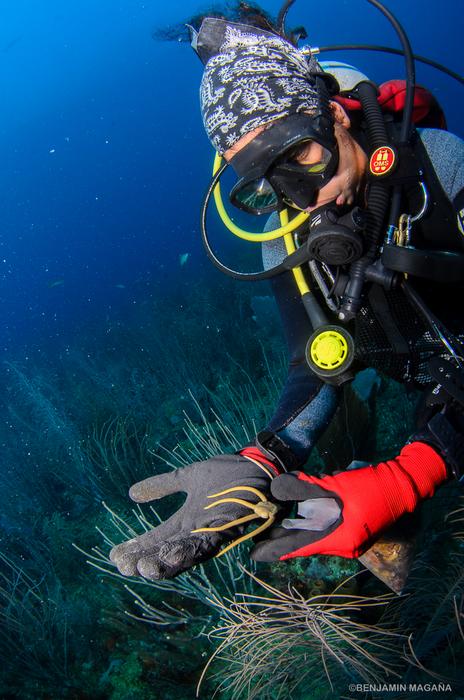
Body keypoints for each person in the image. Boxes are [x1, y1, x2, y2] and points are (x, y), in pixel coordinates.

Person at [110, 1, 464, 585]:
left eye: (301, 151)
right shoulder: (285, 234)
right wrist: (262, 458)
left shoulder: (439, 168)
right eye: (266, 177)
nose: (304, 192)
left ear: (335, 116)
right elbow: (315, 363)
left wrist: (412, 473)